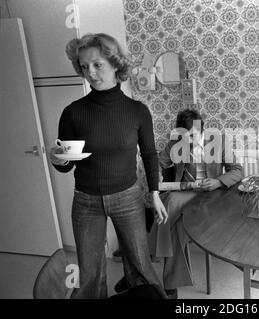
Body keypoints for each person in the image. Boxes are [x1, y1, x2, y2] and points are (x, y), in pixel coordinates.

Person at [49, 33, 168, 298]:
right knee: (90, 273)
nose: (89, 72)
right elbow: (65, 166)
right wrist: (58, 157)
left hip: (128, 198)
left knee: (140, 264)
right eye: (83, 66)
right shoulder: (73, 112)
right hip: (86, 201)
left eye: (97, 64)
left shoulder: (137, 111)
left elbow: (149, 154)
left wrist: (155, 194)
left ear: (115, 64)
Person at [149, 109, 243, 298]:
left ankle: (147, 254)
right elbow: (158, 163)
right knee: (175, 221)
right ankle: (170, 284)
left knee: (170, 205)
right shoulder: (175, 143)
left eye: (193, 135)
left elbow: (238, 170)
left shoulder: (218, 141)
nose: (189, 140)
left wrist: (217, 181)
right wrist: (157, 173)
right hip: (186, 191)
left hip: (212, 196)